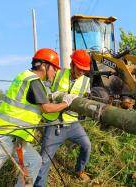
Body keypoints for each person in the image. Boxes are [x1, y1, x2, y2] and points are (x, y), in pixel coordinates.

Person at [0, 48, 77, 187]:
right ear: (44, 65)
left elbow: (32, 101)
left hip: (15, 138)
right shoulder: (34, 81)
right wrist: (66, 103)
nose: (56, 72)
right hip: (3, 138)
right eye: (54, 68)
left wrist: (52, 96)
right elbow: (46, 108)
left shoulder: (25, 76)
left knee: (33, 161)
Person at [34, 49, 92, 186]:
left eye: (84, 70)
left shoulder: (86, 82)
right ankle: (39, 184)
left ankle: (80, 170)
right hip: (54, 122)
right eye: (79, 69)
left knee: (87, 145)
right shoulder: (58, 73)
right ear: (72, 64)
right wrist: (52, 95)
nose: (81, 72)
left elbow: (87, 98)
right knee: (45, 158)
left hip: (72, 123)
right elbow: (44, 86)